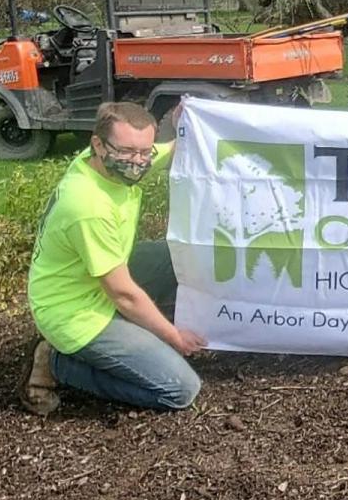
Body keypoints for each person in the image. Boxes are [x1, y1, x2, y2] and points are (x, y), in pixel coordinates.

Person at [19, 101, 207, 415]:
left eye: (143, 152)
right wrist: (174, 336)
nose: (137, 162)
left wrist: (186, 123)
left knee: (179, 255)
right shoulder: (87, 205)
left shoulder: (107, 162)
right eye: (127, 152)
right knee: (179, 389)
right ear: (98, 145)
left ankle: (137, 335)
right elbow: (124, 294)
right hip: (76, 313)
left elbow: (168, 149)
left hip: (94, 279)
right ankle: (57, 363)